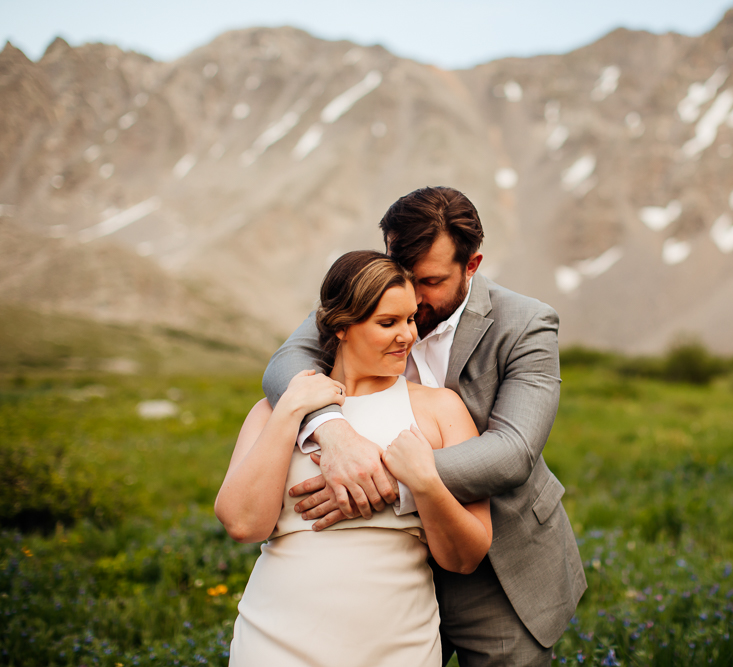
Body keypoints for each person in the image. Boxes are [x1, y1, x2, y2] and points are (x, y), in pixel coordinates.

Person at [263, 186, 586, 666]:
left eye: (430, 281)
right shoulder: (374, 298)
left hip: (497, 567)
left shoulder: (526, 324)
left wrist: (379, 479)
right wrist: (334, 431)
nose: (412, 296)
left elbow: (513, 452)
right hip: (386, 573)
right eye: (403, 272)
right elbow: (284, 364)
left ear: (471, 265)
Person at [216, 250, 492, 666]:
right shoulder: (275, 410)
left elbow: (465, 557)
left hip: (397, 645)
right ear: (341, 326)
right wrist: (291, 409)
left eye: (411, 318)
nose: (408, 336)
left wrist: (424, 483)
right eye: (388, 323)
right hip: (276, 641)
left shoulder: (441, 410)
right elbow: (243, 524)